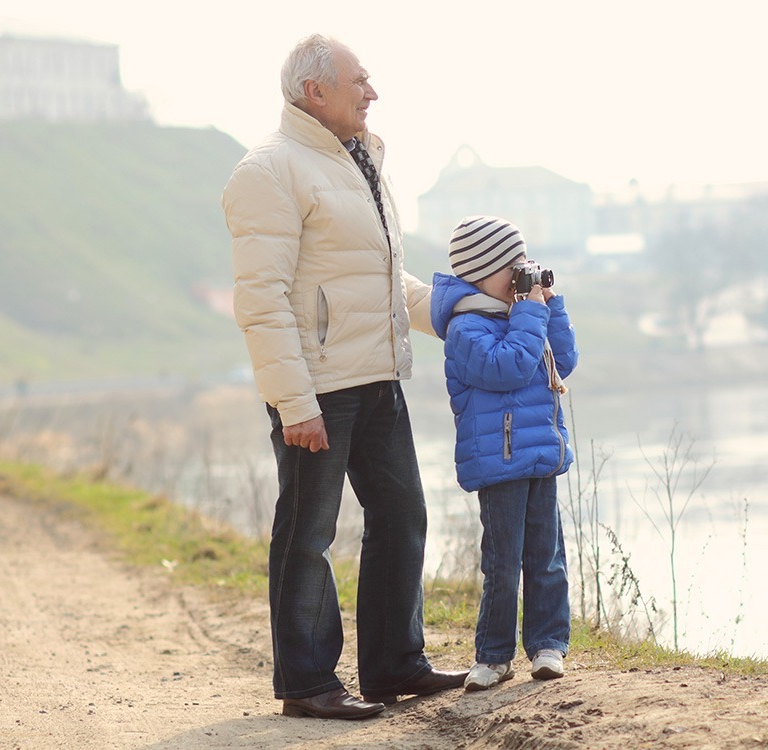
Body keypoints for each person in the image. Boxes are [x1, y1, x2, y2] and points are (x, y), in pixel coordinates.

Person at [221, 34, 466, 721]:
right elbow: (261, 301)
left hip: (377, 376)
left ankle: (394, 664)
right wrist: (293, 403)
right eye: (360, 79)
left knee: (402, 516)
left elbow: (386, 281)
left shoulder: (360, 159)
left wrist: (462, 307)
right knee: (308, 534)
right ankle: (307, 682)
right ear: (314, 92)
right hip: (318, 389)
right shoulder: (268, 171)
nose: (372, 91)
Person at [429, 215, 579, 691]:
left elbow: (564, 360)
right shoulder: (465, 328)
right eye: (512, 268)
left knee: (547, 557)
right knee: (502, 563)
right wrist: (529, 313)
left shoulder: (520, 315)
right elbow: (510, 367)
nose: (521, 275)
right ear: (482, 272)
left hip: (538, 455)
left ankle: (548, 646)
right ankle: (493, 657)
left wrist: (549, 308)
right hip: (500, 464)